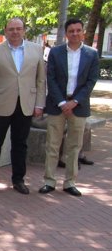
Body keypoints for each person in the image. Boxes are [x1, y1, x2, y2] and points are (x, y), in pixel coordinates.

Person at [0, 18, 46, 194]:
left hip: (26, 104)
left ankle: (18, 180)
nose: (15, 32)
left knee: (20, 144)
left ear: (24, 30)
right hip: (1, 103)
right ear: (5, 31)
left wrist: (40, 103)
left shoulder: (36, 50)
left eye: (18, 29)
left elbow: (41, 80)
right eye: (11, 29)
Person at [39, 18, 99, 197]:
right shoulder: (56, 53)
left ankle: (70, 182)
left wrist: (75, 101)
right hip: (57, 105)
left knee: (74, 146)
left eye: (78, 30)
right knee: (52, 145)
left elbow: (91, 81)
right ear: (66, 33)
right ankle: (49, 181)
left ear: (83, 33)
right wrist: (61, 102)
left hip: (78, 107)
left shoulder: (91, 54)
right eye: (71, 31)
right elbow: (51, 78)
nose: (74, 33)